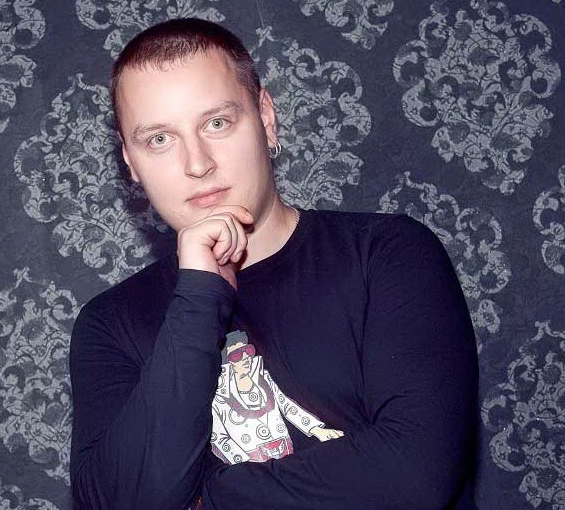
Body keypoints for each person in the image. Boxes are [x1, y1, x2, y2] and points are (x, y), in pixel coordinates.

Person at [69, 17, 478, 510]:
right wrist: (198, 300)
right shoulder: (109, 324)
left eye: (217, 123)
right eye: (159, 139)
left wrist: (204, 499)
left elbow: (415, 476)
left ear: (265, 117)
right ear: (130, 161)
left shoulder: (387, 254)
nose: (197, 163)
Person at [211, 330, 343, 464]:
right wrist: (245, 465)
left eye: (247, 350)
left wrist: (316, 430)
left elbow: (287, 405)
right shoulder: (218, 397)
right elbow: (218, 437)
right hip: (251, 463)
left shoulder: (265, 379)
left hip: (285, 451)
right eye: (236, 355)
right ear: (225, 363)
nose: (245, 357)